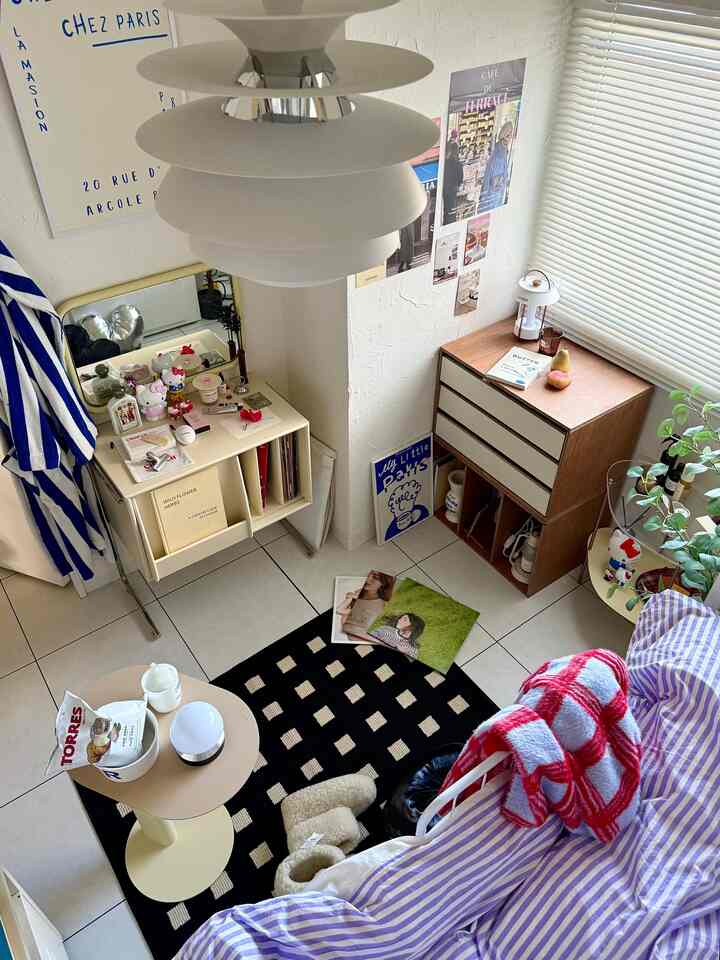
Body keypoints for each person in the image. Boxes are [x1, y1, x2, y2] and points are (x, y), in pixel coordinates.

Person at [478, 120, 514, 213]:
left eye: (511, 133)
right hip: (492, 192)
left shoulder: (504, 148)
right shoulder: (499, 150)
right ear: (505, 134)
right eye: (509, 133)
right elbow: (491, 174)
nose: (510, 136)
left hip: (497, 191)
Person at [442, 134, 463, 225]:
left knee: (446, 210)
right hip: (452, 190)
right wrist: (458, 185)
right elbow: (460, 178)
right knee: (451, 211)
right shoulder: (457, 163)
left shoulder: (446, 162)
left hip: (446, 189)